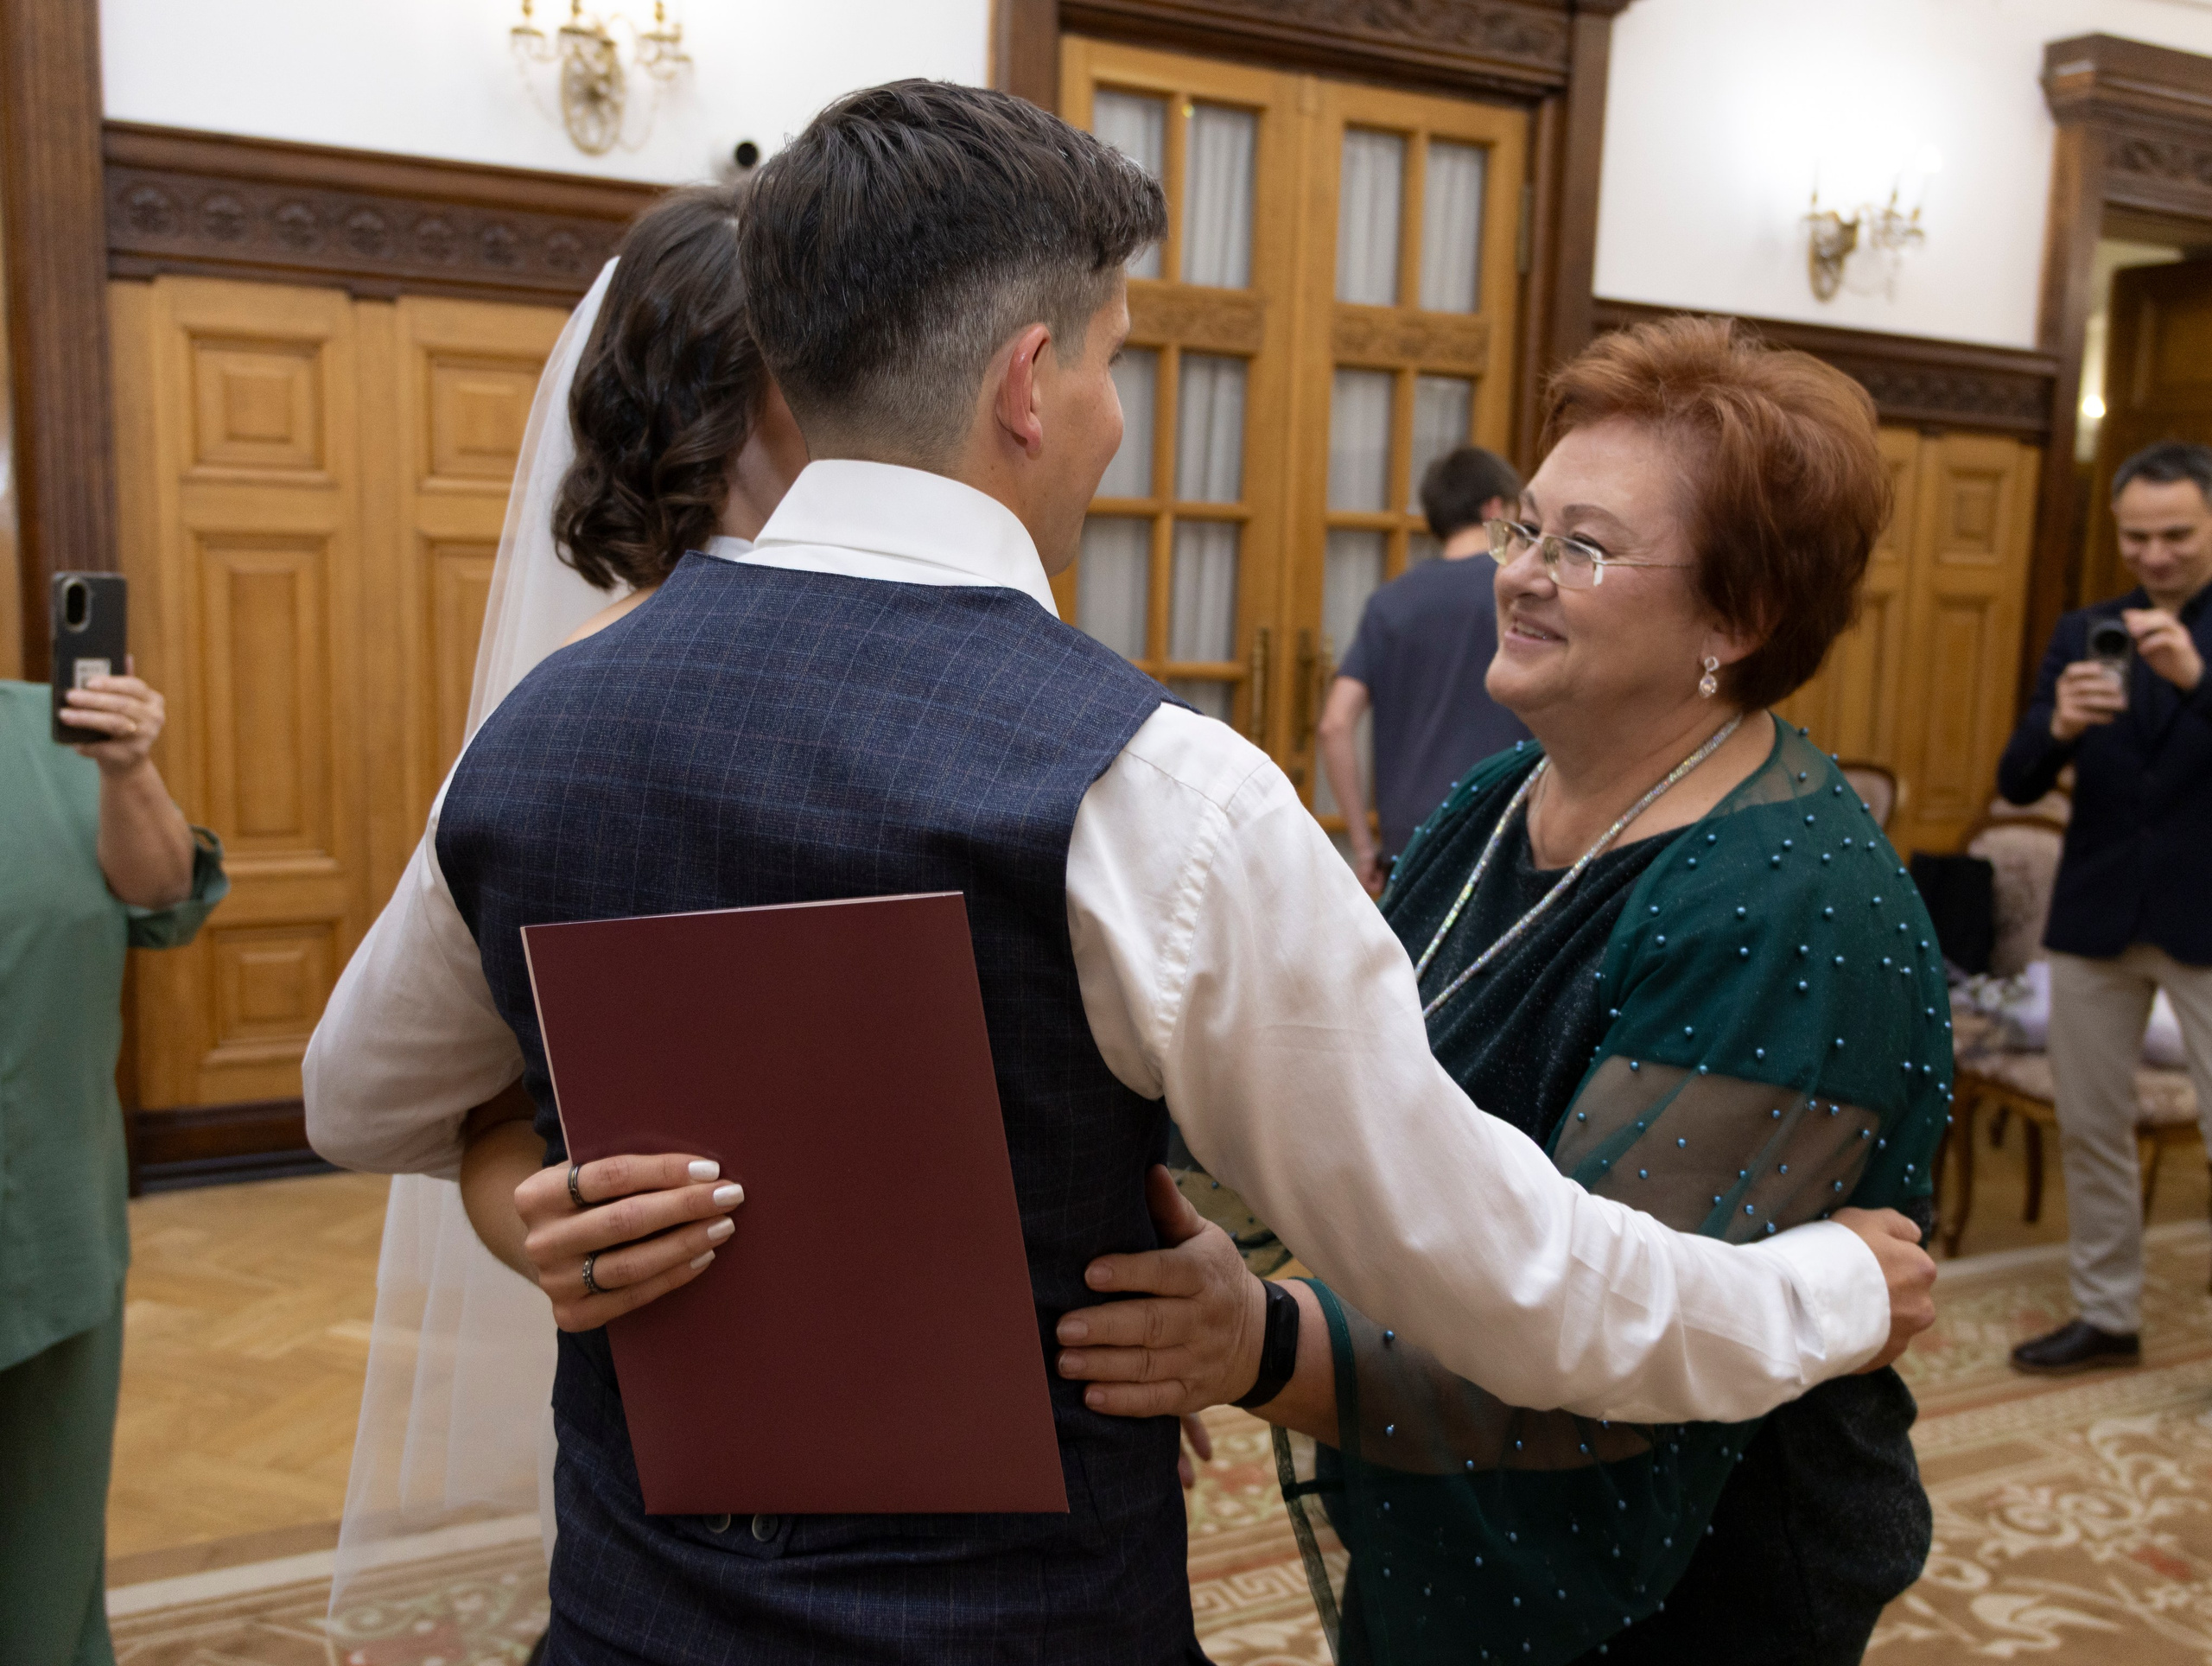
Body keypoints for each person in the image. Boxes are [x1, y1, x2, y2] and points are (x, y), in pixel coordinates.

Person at [307, 82, 1934, 1663]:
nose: (1113, 414)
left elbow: (355, 1094)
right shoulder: (1161, 791)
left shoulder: (545, 726)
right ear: (1030, 382)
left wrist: (548, 1213)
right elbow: (1513, 1277)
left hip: (640, 1607)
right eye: (1114, 363)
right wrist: (1828, 1294)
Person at [1061, 316, 1949, 1666]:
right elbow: (1341, 1099)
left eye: (1581, 549)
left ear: (1740, 618)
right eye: (1524, 529)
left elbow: (1610, 1361)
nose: (1518, 577)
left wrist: (1246, 1341)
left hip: (1674, 1573)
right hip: (1454, 1507)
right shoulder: (1497, 801)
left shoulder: (1786, 901)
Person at [319, 177, 808, 1612]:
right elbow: (362, 1085)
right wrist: (523, 1196)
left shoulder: (561, 697)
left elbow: (366, 1092)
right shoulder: (568, 708)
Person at [1, 665, 226, 1666]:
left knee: (42, 1556)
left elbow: (164, 896)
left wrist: (129, 770)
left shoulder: (49, 734)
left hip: (44, 1226)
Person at [1999, 440, 2212, 1376]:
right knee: (2091, 1123)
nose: (2155, 556)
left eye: (2176, 535)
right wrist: (2059, 724)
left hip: (2205, 919)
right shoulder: (2086, 625)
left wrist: (2195, 682)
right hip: (2095, 914)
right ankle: (2106, 1311)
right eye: (2137, 537)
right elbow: (2015, 775)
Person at [1319, 445, 1531, 893]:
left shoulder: (1389, 602)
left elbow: (1335, 725)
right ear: (1495, 509)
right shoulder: (1517, 596)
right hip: (1504, 832)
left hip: (1410, 844)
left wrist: (1363, 846)